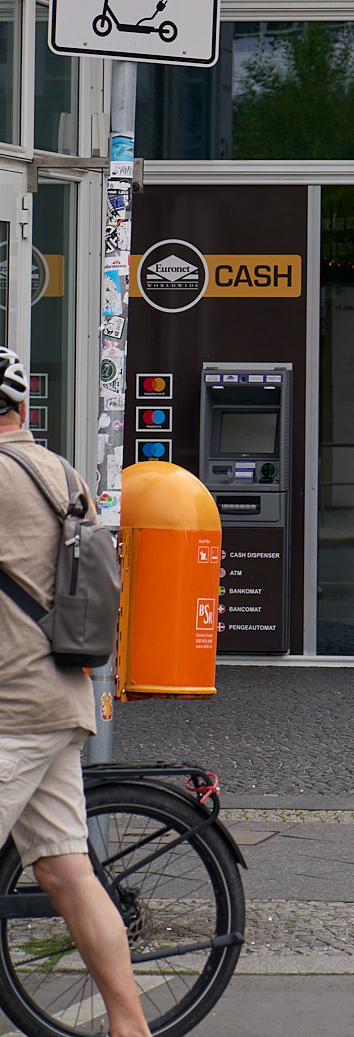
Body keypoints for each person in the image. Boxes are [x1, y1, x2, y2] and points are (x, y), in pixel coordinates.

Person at [0, 351, 153, 1037]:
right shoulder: (61, 474)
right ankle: (129, 1025)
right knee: (66, 872)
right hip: (61, 698)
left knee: (67, 871)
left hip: (11, 709)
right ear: (23, 410)